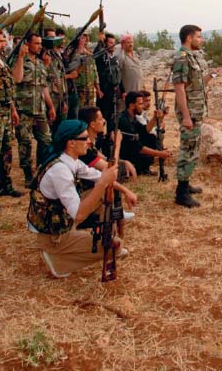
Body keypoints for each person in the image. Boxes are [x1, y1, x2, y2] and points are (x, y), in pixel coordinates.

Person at [27, 119, 131, 278]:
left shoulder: (68, 160)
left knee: (98, 195)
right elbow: (79, 214)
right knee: (115, 247)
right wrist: (103, 182)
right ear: (71, 143)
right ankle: (58, 260)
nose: (89, 142)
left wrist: (125, 191)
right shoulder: (60, 171)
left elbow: (98, 175)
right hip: (54, 236)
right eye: (84, 138)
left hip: (58, 220)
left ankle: (81, 241)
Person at [172, 24, 215, 208]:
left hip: (196, 111)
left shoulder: (192, 57)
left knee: (193, 149)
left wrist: (211, 76)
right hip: (190, 112)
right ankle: (181, 194)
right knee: (187, 150)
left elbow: (195, 84)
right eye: (199, 36)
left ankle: (186, 183)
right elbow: (179, 89)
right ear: (189, 38)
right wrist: (186, 116)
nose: (201, 40)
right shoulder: (182, 58)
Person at [13, 31, 55, 188]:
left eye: (40, 43)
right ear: (27, 44)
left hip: (40, 110)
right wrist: (19, 58)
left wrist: (50, 106)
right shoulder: (19, 61)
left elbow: (44, 87)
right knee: (25, 143)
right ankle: (28, 176)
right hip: (24, 110)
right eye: (36, 43)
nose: (39, 46)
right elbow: (16, 80)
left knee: (46, 141)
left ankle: (43, 171)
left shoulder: (40, 64)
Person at [0, 30, 21, 199]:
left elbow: (10, 86)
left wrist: (13, 109)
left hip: (6, 110)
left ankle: (5, 184)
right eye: (0, 41)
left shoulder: (1, 60)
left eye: (4, 41)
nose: (3, 44)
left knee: (6, 149)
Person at [118, 91, 173, 176]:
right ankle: (137, 168)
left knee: (150, 137)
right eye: (140, 104)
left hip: (132, 149)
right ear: (132, 105)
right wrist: (160, 154)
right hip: (125, 153)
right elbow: (138, 147)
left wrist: (155, 118)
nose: (142, 106)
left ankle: (144, 168)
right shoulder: (124, 121)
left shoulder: (132, 118)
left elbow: (144, 131)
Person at [95, 32, 122, 131]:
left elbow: (119, 75)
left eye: (113, 43)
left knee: (113, 118)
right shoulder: (102, 56)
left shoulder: (114, 58)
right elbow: (96, 55)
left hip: (114, 93)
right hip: (104, 92)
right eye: (110, 42)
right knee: (103, 117)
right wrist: (100, 43)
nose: (112, 45)